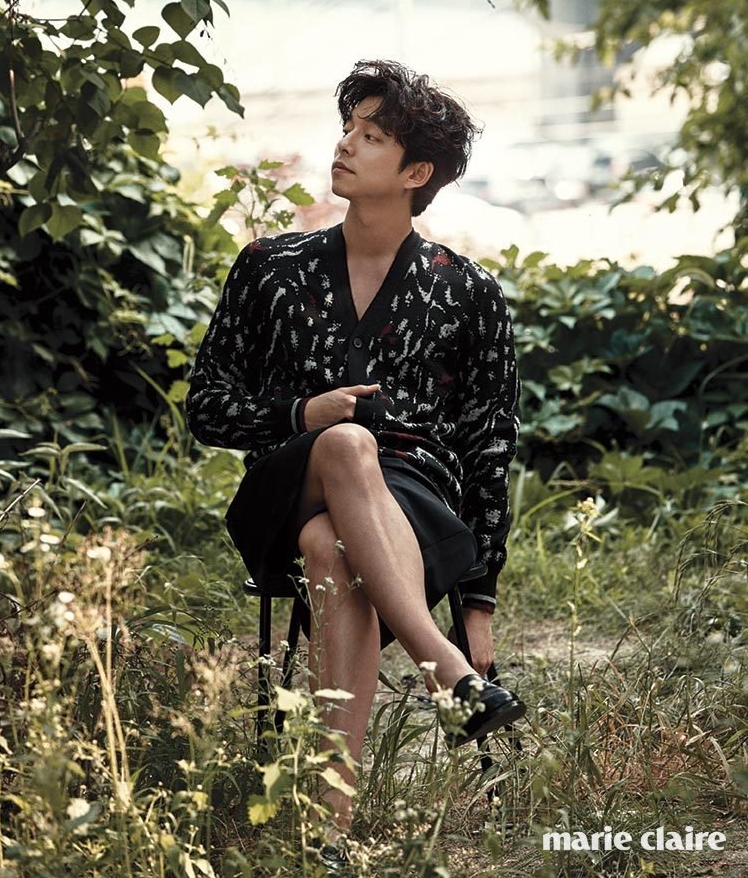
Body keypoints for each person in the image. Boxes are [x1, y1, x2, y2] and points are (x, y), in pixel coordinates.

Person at [185, 59, 524, 865]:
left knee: (329, 548)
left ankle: (328, 834)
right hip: (286, 482)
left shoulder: (469, 293)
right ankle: (445, 673)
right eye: (347, 129)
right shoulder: (270, 269)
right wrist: (301, 415)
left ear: (416, 173)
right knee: (344, 442)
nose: (344, 145)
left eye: (371, 137)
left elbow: (488, 448)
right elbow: (207, 406)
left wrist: (479, 600)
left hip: (413, 503)